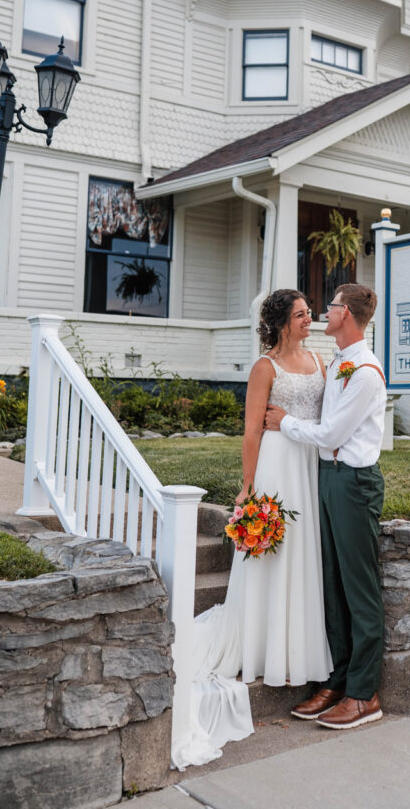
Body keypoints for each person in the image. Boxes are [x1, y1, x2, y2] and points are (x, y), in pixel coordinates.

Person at [172, 289, 333, 769]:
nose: (311, 319)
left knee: (305, 557)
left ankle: (301, 648)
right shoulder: (265, 367)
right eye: (303, 314)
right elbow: (251, 431)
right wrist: (247, 488)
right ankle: (266, 647)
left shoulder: (319, 360)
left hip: (312, 466)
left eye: (311, 313)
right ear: (284, 321)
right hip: (278, 468)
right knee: (275, 557)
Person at [265, 283, 387, 730]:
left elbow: (332, 434)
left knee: (359, 590)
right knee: (332, 586)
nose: (324, 312)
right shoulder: (337, 361)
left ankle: (363, 694)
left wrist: (285, 423)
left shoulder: (366, 372)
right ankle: (337, 680)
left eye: (332, 306)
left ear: (348, 316)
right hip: (328, 478)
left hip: (354, 482)